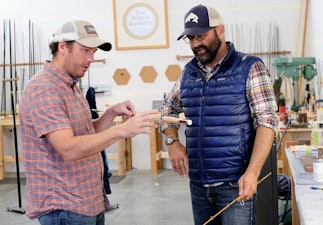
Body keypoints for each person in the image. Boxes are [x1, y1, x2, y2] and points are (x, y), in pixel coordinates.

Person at [19, 19, 160, 225]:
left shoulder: (70, 85)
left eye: (93, 52)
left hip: (86, 201)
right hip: (65, 207)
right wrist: (121, 130)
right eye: (85, 51)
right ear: (63, 47)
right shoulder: (45, 89)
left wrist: (110, 114)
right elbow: (69, 148)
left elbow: (84, 133)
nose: (92, 59)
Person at [160, 5, 278, 225]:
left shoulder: (250, 68)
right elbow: (167, 109)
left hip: (236, 184)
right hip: (199, 185)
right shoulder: (189, 73)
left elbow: (267, 121)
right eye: (190, 38)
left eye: (201, 36)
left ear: (220, 31)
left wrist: (252, 173)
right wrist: (172, 141)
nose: (196, 44)